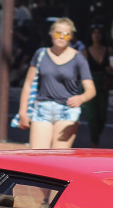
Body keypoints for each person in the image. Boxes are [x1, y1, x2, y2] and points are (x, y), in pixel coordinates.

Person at [17, 18, 95, 149]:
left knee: (58, 157)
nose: (62, 37)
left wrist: (81, 98)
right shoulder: (40, 54)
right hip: (42, 108)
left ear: (71, 37)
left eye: (66, 34)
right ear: (51, 33)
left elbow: (91, 89)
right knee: (38, 156)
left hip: (67, 110)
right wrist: (23, 112)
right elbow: (28, 85)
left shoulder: (79, 58)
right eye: (58, 33)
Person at [81, 25, 113, 147]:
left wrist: (111, 69)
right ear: (91, 36)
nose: (96, 35)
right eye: (94, 33)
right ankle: (94, 142)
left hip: (104, 82)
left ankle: (96, 137)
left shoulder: (108, 50)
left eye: (99, 33)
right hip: (89, 82)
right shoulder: (85, 51)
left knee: (102, 115)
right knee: (91, 115)